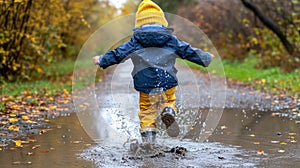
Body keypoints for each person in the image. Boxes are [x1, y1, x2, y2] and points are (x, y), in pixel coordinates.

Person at [93, 0, 214, 143]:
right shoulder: (170, 40)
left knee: (147, 111)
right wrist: (205, 58)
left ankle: (149, 139)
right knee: (170, 100)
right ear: (162, 22)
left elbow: (119, 53)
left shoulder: (135, 41)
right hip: (167, 80)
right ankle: (168, 110)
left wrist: (102, 59)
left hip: (145, 84)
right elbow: (187, 50)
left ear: (139, 23)